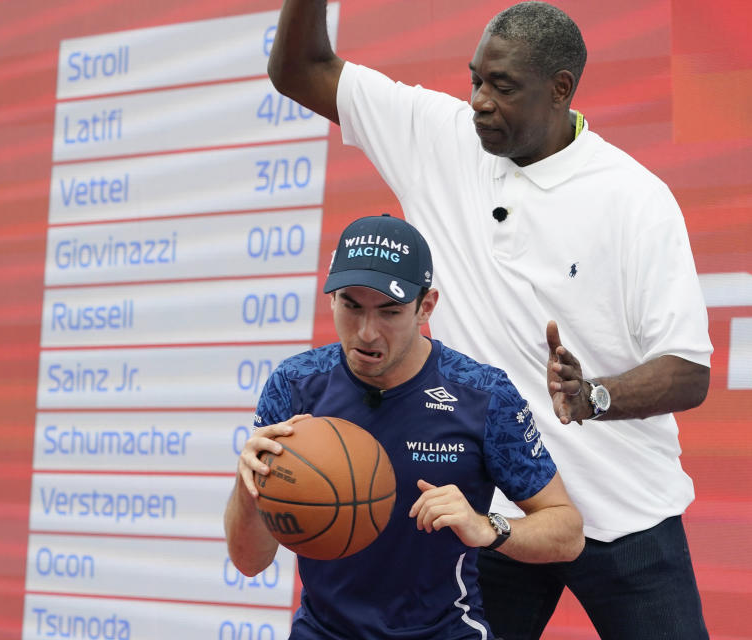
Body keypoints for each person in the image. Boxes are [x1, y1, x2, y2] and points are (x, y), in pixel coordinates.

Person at [266, 1, 713, 638]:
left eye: (502, 87)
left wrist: (594, 396)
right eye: (475, 79)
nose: (478, 100)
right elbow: (299, 69)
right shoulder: (438, 136)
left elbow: (688, 372)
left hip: (626, 513)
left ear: (561, 90)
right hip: (500, 516)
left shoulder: (635, 199)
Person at [224, 213, 584, 640]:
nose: (367, 332)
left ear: (425, 307)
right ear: (332, 298)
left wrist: (488, 527)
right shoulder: (295, 385)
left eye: (390, 311)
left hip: (446, 631)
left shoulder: (482, 394)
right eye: (351, 306)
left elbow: (568, 532)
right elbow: (249, 562)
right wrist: (249, 489)